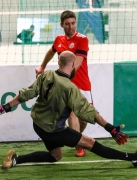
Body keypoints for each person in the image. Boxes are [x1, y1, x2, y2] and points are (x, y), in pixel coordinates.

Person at [0, 51, 137, 169]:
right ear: (73, 64)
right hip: (54, 130)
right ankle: (135, 158)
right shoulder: (70, 88)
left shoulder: (46, 75)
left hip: (39, 125)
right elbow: (88, 111)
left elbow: (27, 93)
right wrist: (109, 128)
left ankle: (15, 159)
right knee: (90, 143)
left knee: (55, 156)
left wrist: (5, 107)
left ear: (59, 62)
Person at [35, 10, 91, 157]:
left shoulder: (82, 39)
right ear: (61, 25)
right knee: (71, 113)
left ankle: (74, 136)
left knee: (83, 119)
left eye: (73, 23)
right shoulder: (59, 39)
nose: (70, 26)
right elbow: (51, 51)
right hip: (66, 85)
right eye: (67, 24)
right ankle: (79, 146)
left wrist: (65, 76)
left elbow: (77, 63)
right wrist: (42, 66)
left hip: (82, 84)